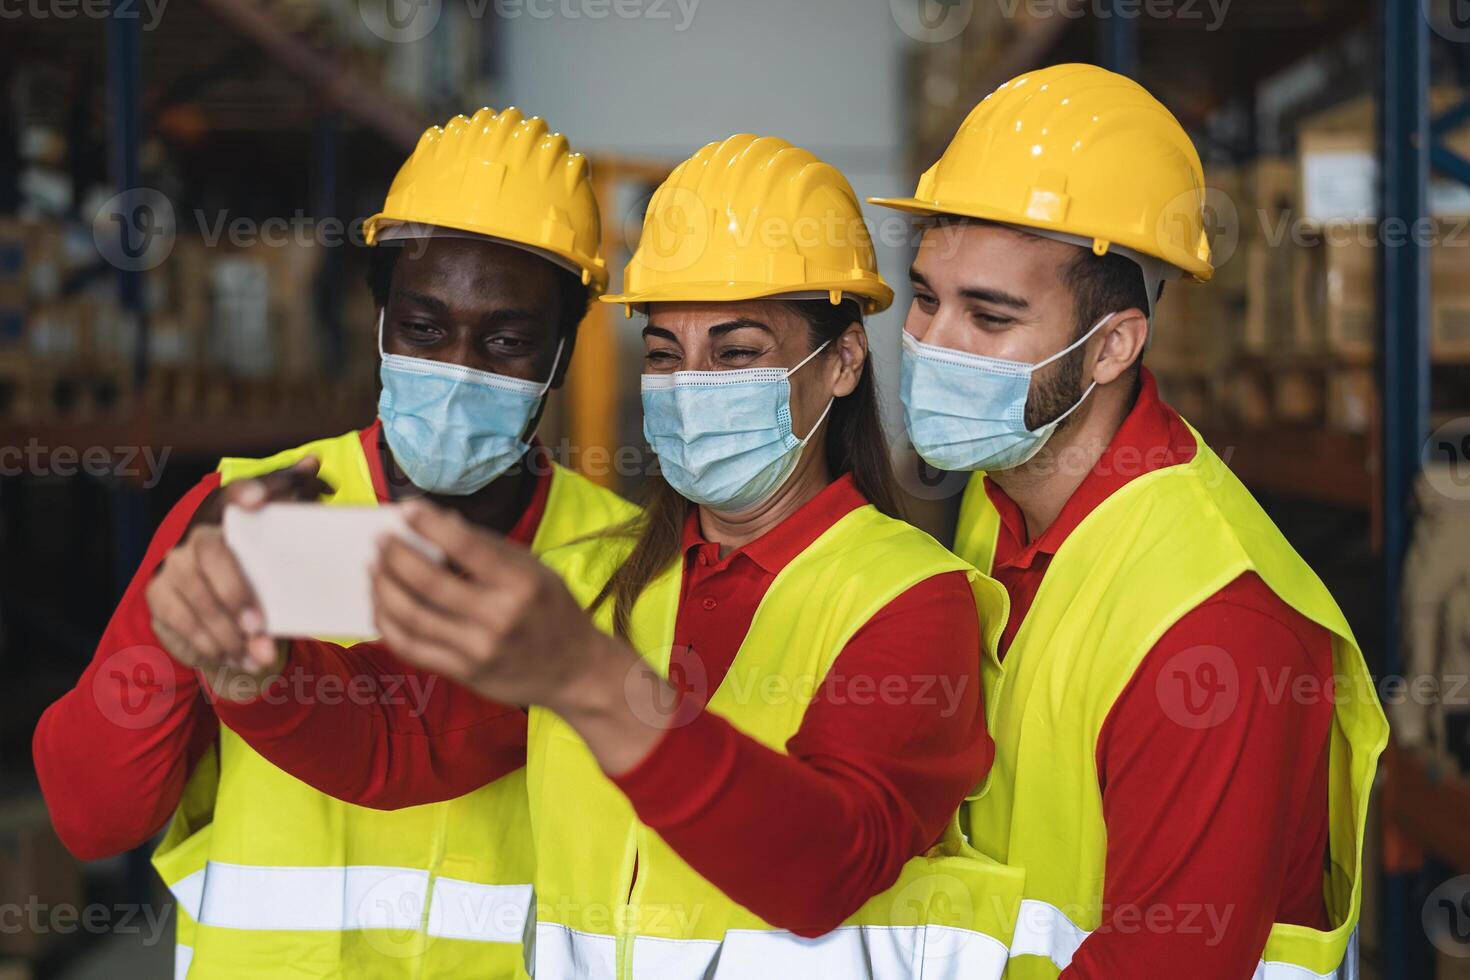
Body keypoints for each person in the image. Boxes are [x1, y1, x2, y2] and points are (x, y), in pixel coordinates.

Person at [183, 133, 1026, 978]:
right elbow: (399, 741)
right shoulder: (593, 580)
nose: (692, 384)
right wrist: (254, 671)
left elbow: (827, 867)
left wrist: (590, 682)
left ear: (842, 361)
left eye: (736, 353)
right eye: (665, 353)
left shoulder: (910, 599)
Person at [33, 107, 636, 979]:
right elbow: (92, 816)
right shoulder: (236, 511)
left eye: (506, 340)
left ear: (563, 349)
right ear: (381, 315)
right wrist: (178, 624)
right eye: (425, 327)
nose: (459, 368)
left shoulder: (617, 559)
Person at [869, 63, 1389, 979]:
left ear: (1111, 346)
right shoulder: (1003, 491)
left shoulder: (1214, 632)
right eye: (925, 296)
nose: (930, 343)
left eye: (989, 317)